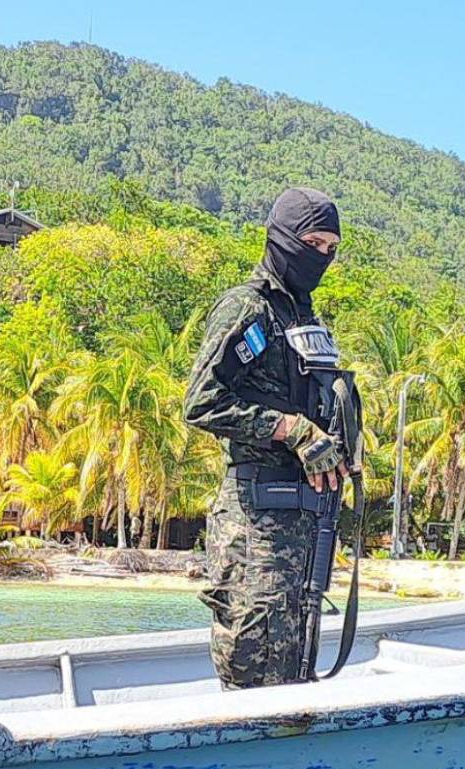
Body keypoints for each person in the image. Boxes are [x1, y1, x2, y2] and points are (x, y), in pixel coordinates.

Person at [185, 187, 352, 690]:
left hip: (306, 524)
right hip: (256, 523)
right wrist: (290, 428)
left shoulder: (306, 321)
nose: (321, 257)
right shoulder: (248, 310)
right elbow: (201, 402)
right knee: (251, 666)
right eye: (313, 242)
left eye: (331, 249)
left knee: (298, 666)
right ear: (282, 239)